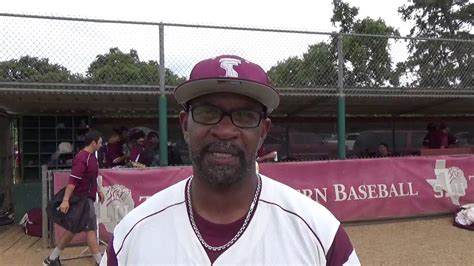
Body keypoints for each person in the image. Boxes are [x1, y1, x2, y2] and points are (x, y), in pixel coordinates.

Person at [101, 55, 359, 265]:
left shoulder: (320, 233)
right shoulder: (133, 232)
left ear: (264, 132)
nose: (225, 131)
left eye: (246, 116)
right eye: (207, 112)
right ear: (184, 125)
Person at [44, 130, 105, 266]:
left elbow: (92, 178)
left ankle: (52, 259)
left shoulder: (92, 157)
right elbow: (73, 181)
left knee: (72, 230)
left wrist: (99, 190)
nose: (101, 145)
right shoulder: (82, 158)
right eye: (100, 142)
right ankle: (100, 262)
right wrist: (65, 200)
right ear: (93, 142)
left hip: (86, 198)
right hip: (81, 199)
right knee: (90, 229)